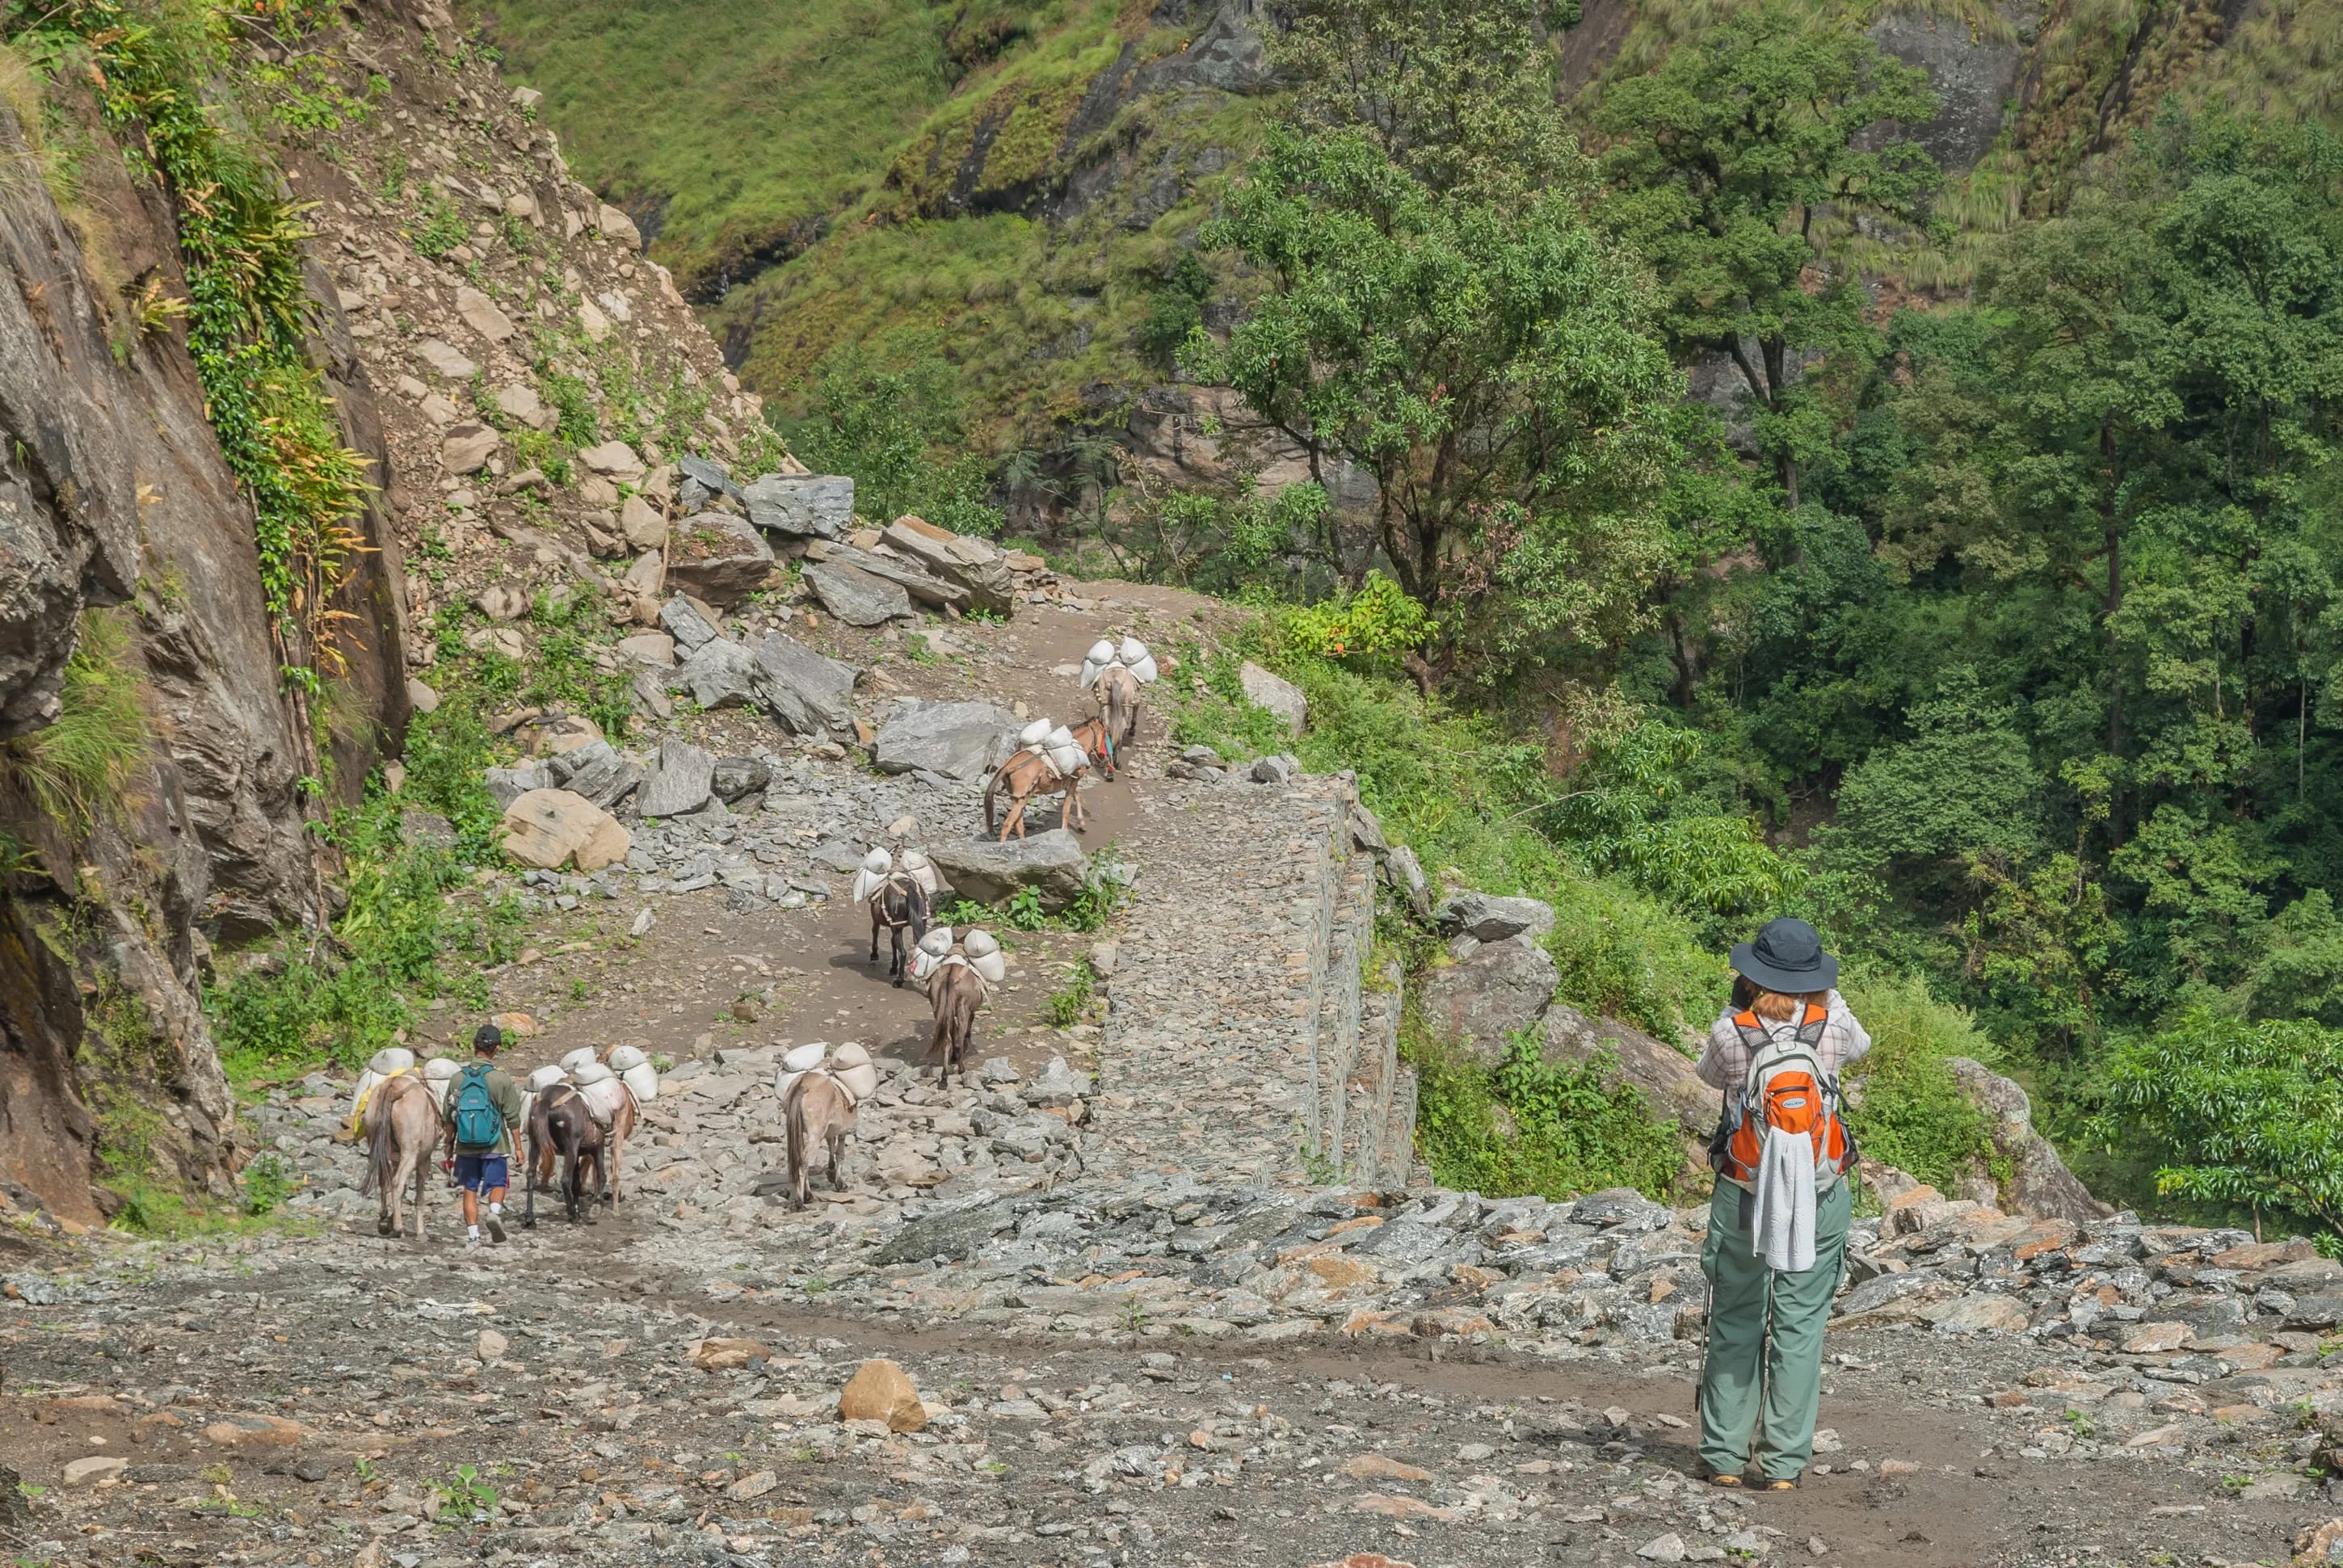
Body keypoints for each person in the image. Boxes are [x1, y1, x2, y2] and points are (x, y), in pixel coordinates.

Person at [1693, 916, 1871, 1491]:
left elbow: (1707, 1074)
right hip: (1819, 1193)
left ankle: (1724, 1457)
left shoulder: (1731, 1031)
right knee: (1799, 1326)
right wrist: (1824, 997)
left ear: (1751, 975)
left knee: (1736, 1318)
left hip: (1745, 1190)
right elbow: (1861, 1043)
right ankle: (1783, 1467)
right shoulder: (1833, 1024)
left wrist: (1738, 1008)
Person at [441, 1024, 524, 1246]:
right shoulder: (501, 1079)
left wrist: (449, 1144)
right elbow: (512, 1117)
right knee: (498, 1183)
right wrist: (518, 1148)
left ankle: (473, 1236)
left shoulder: (457, 1078)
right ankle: (494, 1213)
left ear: (474, 1045)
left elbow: (448, 1117)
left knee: (469, 1190)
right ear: (496, 1049)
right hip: (495, 1145)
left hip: (465, 1146)